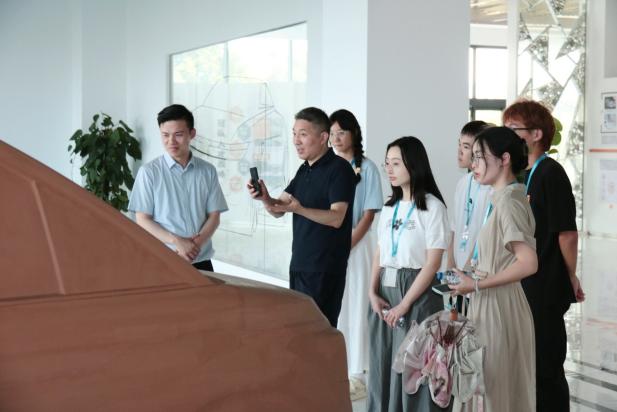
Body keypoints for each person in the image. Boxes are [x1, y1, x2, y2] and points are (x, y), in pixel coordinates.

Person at [503, 99, 585, 412]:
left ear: (536, 134)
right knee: (527, 367)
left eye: (514, 129)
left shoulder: (551, 173)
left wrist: (570, 275)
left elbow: (567, 233)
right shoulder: (521, 174)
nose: (507, 135)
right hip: (523, 283)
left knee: (546, 368)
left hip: (545, 285)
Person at [450, 127, 538, 411]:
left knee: (493, 389)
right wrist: (469, 278)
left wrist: (477, 284)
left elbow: (528, 262)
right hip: (487, 301)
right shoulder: (498, 198)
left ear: (504, 159)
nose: (473, 163)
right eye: (472, 156)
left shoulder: (509, 202)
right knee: (485, 389)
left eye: (479, 157)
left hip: (499, 305)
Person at [247, 107, 356, 327]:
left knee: (319, 332)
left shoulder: (340, 169)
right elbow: (279, 209)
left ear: (323, 137)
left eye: (303, 134)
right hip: (300, 264)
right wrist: (265, 198)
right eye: (294, 134)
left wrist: (300, 210)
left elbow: (337, 218)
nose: (296, 141)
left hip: (324, 267)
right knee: (299, 331)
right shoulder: (304, 169)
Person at [367, 136, 449, 412]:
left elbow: (433, 263)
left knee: (415, 367)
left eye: (396, 163)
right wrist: (372, 291)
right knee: (382, 360)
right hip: (385, 289)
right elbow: (379, 252)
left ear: (413, 165)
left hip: (416, 291)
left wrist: (405, 304)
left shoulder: (433, 207)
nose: (389, 170)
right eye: (386, 164)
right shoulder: (389, 207)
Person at [128, 104, 228, 271]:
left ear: (192, 134)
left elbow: (214, 216)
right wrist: (177, 241)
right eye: (165, 135)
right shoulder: (149, 173)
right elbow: (143, 219)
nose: (171, 142)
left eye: (178, 135)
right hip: (164, 261)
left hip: (201, 260)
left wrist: (194, 246)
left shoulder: (207, 171)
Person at [329, 109, 383, 399]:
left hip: (358, 245)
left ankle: (358, 374)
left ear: (354, 134)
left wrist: (347, 243)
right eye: (332, 133)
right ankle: (338, 366)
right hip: (333, 246)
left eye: (342, 132)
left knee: (358, 305)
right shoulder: (329, 166)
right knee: (339, 305)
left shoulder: (368, 168)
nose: (336, 138)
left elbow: (369, 213)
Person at [447, 121, 492, 272]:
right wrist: (450, 265)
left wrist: (467, 269)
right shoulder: (462, 183)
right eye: (459, 144)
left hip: (479, 271)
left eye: (466, 147)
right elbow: (454, 228)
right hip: (459, 270)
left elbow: (486, 235)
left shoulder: (491, 187)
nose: (459, 151)